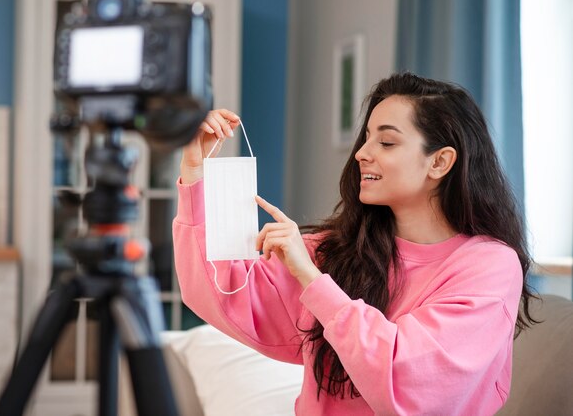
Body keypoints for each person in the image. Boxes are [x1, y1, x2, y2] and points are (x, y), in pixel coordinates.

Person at [172, 72, 536, 415]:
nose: (362, 152)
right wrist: (195, 169)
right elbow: (220, 288)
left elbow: (411, 383)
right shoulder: (338, 250)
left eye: (387, 141)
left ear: (440, 162)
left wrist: (313, 282)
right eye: (367, 137)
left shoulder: (489, 266)